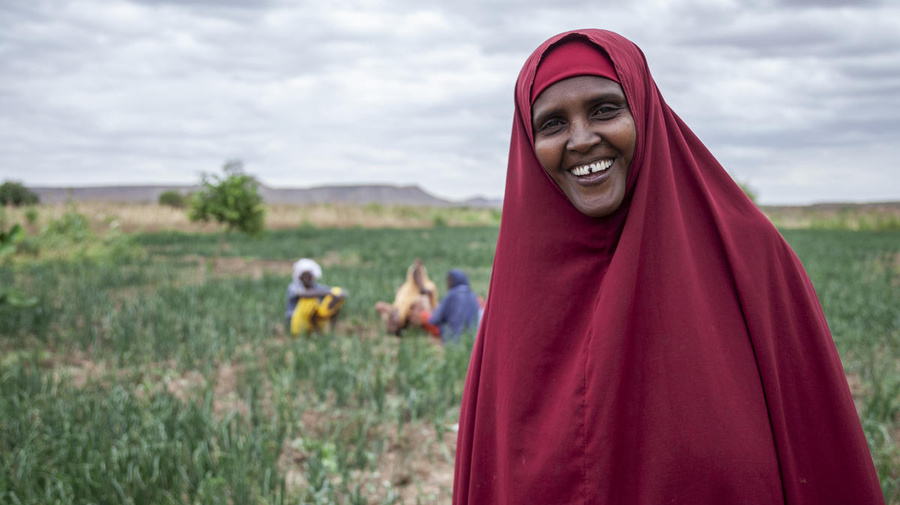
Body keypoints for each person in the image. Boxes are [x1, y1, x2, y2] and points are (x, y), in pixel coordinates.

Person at [452, 30, 884, 504]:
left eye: (604, 109)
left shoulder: (750, 256)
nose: (581, 139)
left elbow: (819, 453)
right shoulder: (516, 294)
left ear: (644, 109)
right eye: (552, 123)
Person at [375, 259, 438, 335]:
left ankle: (413, 331)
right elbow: (398, 304)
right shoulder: (406, 288)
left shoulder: (428, 286)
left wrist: (420, 285)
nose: (416, 278)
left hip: (416, 317)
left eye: (418, 275)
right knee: (380, 306)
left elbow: (429, 303)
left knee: (421, 302)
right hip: (400, 314)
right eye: (414, 275)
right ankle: (394, 327)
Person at [285, 258, 346, 336]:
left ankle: (330, 330)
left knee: (336, 292)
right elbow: (304, 294)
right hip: (296, 323)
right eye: (305, 276)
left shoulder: (314, 286)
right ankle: (310, 332)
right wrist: (329, 293)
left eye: (309, 276)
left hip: (312, 321)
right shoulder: (294, 287)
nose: (307, 279)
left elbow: (339, 291)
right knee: (309, 300)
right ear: (300, 276)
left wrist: (335, 297)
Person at [420, 269, 481, 345]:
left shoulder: (453, 295)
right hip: (472, 340)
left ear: (455, 281)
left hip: (453, 340)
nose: (447, 284)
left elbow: (435, 319)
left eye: (449, 281)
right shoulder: (473, 296)